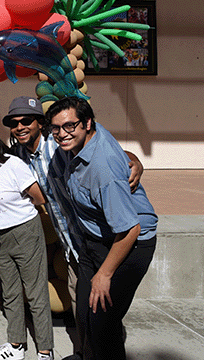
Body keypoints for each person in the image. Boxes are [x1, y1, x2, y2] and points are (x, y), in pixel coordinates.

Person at [3, 96, 144, 360]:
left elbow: (105, 149)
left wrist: (134, 159)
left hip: (97, 238)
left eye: (26, 120)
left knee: (100, 313)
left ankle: (97, 351)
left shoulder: (60, 143)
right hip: (71, 242)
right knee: (83, 309)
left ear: (40, 123)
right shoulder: (17, 157)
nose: (19, 126)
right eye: (13, 122)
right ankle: (85, 353)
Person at [46, 97, 157, 360]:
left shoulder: (101, 167)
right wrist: (132, 158)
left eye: (69, 126)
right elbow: (120, 151)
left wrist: (105, 274)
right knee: (84, 311)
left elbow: (130, 229)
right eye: (56, 128)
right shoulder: (86, 136)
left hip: (129, 243)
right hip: (94, 237)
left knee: (103, 322)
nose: (62, 134)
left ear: (87, 124)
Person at [0, 124, 54, 360]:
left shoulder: (12, 164)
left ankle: (45, 350)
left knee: (36, 294)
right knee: (10, 293)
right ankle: (16, 345)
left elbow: (39, 197)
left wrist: (15, 213)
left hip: (24, 232)